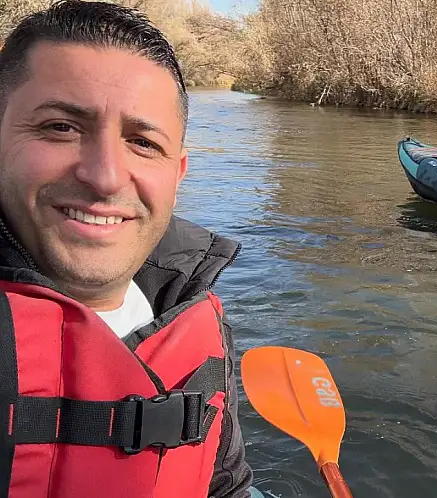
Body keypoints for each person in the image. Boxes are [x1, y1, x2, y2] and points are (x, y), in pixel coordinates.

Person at [0, 1, 254, 496]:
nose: (105, 176)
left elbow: (225, 486)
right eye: (61, 128)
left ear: (177, 176)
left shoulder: (195, 314)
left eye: (142, 142)